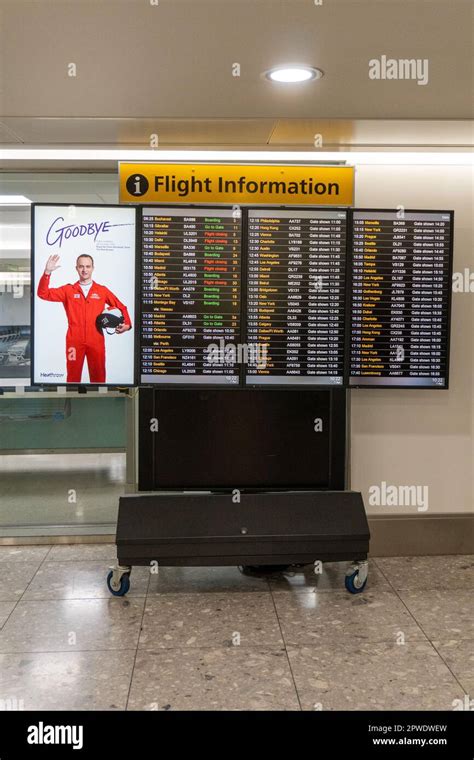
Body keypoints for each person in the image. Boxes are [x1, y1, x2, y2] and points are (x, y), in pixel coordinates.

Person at [37, 254, 131, 383]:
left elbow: (121, 307)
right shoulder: (68, 290)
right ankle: (71, 402)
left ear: (93, 268)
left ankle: (99, 402)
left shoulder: (102, 290)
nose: (84, 270)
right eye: (81, 266)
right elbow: (43, 293)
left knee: (99, 378)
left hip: (96, 340)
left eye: (88, 266)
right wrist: (47, 272)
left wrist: (127, 324)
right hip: (74, 341)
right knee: (72, 377)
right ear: (76, 268)